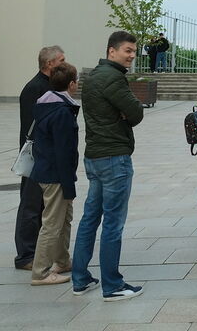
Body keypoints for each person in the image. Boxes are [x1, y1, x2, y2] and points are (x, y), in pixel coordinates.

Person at [71, 31, 146, 301]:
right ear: (111, 50)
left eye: (134, 51)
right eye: (127, 50)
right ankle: (112, 285)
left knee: (90, 217)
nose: (132, 55)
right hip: (114, 157)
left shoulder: (91, 77)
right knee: (113, 222)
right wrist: (126, 112)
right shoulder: (113, 78)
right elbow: (136, 113)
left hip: (94, 155)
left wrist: (123, 111)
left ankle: (80, 278)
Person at [15, 45, 66, 271]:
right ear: (49, 64)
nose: (64, 64)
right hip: (37, 157)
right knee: (31, 204)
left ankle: (40, 252)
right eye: (61, 60)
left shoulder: (50, 87)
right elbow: (33, 127)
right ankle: (25, 255)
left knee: (44, 206)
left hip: (48, 156)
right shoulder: (34, 88)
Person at [29, 62, 80, 286]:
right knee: (52, 223)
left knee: (63, 219)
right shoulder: (61, 112)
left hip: (47, 171)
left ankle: (62, 260)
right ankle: (40, 272)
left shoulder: (48, 105)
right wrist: (68, 182)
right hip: (55, 174)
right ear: (71, 84)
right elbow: (63, 150)